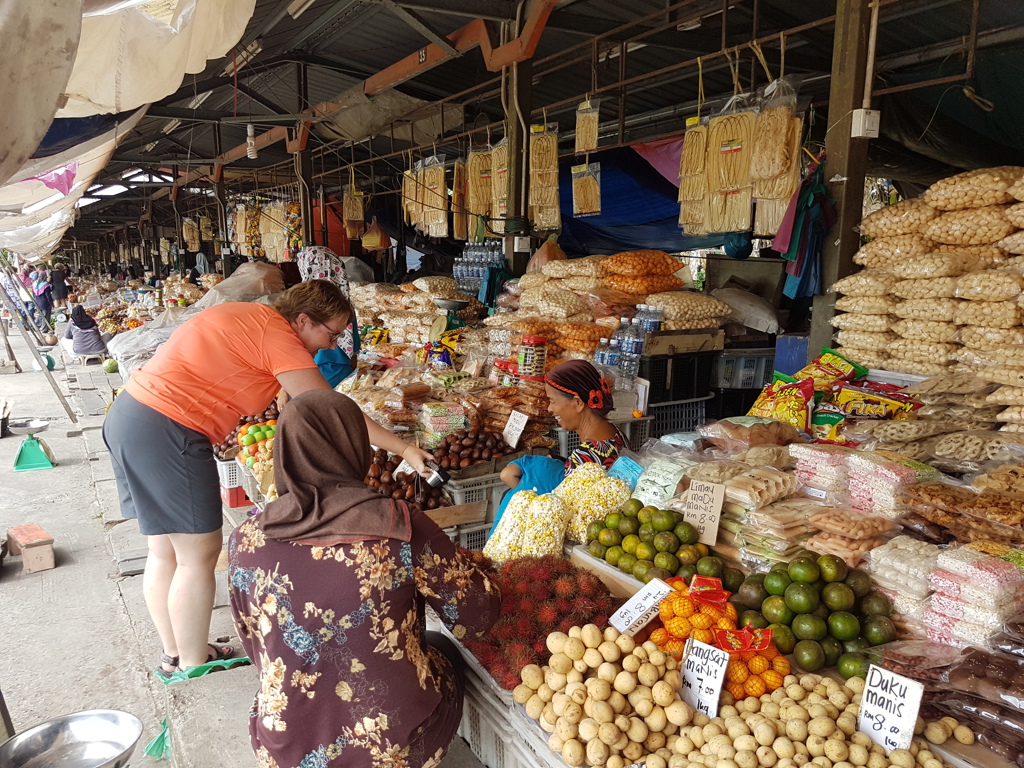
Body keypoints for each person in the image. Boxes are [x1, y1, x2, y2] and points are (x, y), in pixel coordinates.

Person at [102, 280, 434, 680]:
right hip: (169, 430)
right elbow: (330, 409)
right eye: (330, 334)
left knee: (164, 550)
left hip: (133, 416)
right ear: (303, 320)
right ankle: (192, 663)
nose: (330, 346)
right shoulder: (276, 335)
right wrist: (403, 448)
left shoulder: (252, 318)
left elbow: (277, 391)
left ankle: (176, 653)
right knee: (198, 554)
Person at [229, 390, 500, 768]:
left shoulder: (245, 539)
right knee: (445, 650)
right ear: (356, 446)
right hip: (390, 753)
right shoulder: (399, 526)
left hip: (284, 749)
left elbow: (253, 640)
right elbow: (474, 617)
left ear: (284, 452)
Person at [493, 360, 625, 536]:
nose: (549, 408)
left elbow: (567, 517)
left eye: (552, 401)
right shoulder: (616, 434)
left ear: (578, 403)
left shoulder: (583, 458)